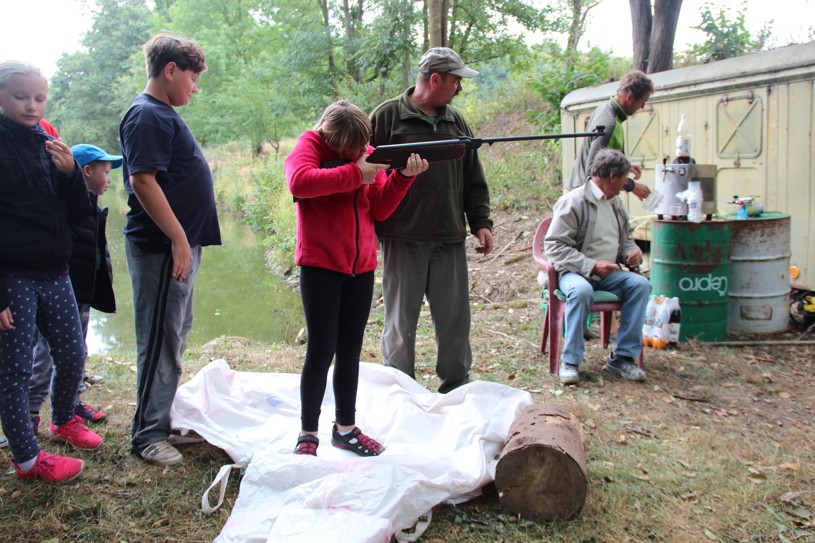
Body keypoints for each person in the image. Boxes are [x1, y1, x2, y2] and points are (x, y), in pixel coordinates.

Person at [285, 100, 429, 456]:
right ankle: (308, 434)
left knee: (349, 351)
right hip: (320, 265)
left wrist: (402, 178)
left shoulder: (367, 153)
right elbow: (299, 182)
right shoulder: (309, 144)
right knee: (320, 351)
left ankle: (345, 429)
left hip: (361, 267)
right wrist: (355, 174)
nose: (361, 151)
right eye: (352, 147)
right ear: (331, 140)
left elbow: (379, 208)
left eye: (363, 144)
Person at [119, 34, 220, 466]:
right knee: (160, 341)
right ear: (171, 70)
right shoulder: (146, 115)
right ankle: (148, 436)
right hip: (162, 248)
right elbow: (143, 181)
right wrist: (179, 239)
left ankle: (159, 420)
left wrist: (187, 240)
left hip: (178, 247)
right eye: (193, 78)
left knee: (173, 336)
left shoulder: (161, 113)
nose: (195, 88)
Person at [1, 60, 104, 483]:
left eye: (39, 98)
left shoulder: (48, 140)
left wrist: (69, 174)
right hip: (12, 275)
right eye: (20, 96)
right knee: (15, 370)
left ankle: (64, 420)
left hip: (55, 270)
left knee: (73, 352)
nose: (31, 105)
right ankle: (27, 459)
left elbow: (78, 213)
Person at [369, 47, 493, 394]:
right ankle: (400, 388)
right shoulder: (386, 117)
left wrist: (481, 222)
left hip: (449, 236)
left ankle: (456, 387)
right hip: (401, 237)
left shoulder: (457, 122)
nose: (460, 88)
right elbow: (363, 174)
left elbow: (473, 177)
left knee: (455, 321)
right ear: (435, 79)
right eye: (456, 81)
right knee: (400, 321)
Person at [28, 143, 119, 433]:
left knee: (77, 351)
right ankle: (30, 413)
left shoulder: (90, 206)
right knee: (45, 354)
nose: (109, 179)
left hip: (82, 295)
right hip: (63, 294)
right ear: (86, 171)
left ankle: (73, 403)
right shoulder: (65, 208)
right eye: (106, 172)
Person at [545, 149, 651, 385]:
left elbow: (626, 239)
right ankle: (570, 361)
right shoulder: (574, 201)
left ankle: (622, 358)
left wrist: (631, 252)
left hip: (609, 274)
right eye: (624, 178)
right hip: (573, 272)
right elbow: (554, 246)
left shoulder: (615, 203)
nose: (626, 184)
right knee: (581, 290)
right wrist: (591, 266)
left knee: (641, 285)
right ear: (612, 177)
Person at [567, 70, 654, 201]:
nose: (642, 106)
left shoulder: (605, 109)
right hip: (584, 198)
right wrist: (631, 185)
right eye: (642, 101)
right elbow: (594, 172)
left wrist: (625, 167)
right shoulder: (609, 124)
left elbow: (604, 161)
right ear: (630, 97)